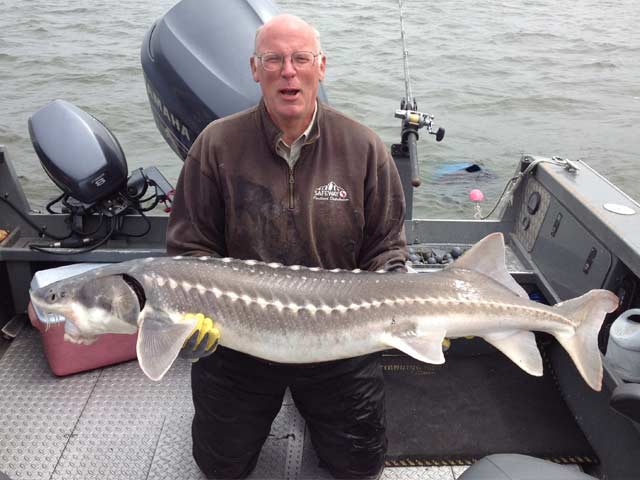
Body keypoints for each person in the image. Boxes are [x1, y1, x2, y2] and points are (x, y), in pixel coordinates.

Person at [166, 13, 407, 479]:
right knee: (220, 466)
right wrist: (194, 316)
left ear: (321, 66)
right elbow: (190, 249)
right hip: (239, 341)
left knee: (359, 467)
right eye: (273, 59)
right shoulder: (215, 145)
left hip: (341, 341)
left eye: (300, 58)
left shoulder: (363, 147)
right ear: (255, 69)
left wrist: (402, 311)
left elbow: (387, 251)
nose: (288, 71)